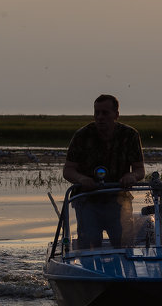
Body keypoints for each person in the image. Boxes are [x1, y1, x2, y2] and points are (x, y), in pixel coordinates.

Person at [62, 94, 145, 248]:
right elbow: (68, 170)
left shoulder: (130, 135)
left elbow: (140, 170)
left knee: (124, 245)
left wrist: (131, 176)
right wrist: (81, 179)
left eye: (105, 113)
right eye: (97, 113)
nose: (100, 117)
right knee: (90, 245)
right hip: (88, 199)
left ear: (116, 115)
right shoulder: (82, 136)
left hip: (118, 199)